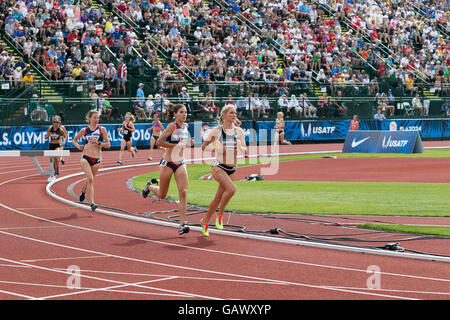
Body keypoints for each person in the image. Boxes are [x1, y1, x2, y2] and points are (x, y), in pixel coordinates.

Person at [142, 103, 193, 235]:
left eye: (185, 112)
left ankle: (182, 224)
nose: (184, 114)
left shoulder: (186, 126)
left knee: (183, 192)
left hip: (180, 162)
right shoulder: (172, 126)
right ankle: (149, 187)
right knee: (162, 194)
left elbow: (183, 142)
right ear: (175, 114)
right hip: (168, 163)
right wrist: (173, 146)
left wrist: (189, 142)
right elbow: (159, 142)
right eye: (181, 112)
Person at [199, 104, 247, 237]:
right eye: (231, 113)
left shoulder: (239, 131)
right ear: (225, 115)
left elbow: (245, 149)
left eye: (235, 113)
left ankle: (205, 222)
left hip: (232, 168)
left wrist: (240, 147)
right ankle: (220, 216)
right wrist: (216, 149)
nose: (234, 115)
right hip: (219, 167)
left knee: (218, 197)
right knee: (231, 190)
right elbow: (204, 147)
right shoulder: (217, 131)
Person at [72, 110, 111, 211]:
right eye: (94, 117)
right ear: (89, 118)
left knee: (89, 179)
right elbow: (74, 140)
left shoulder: (102, 130)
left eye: (97, 118)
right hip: (85, 157)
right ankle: (92, 203)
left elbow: (108, 145)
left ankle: (83, 191)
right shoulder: (84, 130)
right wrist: (78, 146)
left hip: (97, 159)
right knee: (90, 179)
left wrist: (99, 143)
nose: (96, 120)